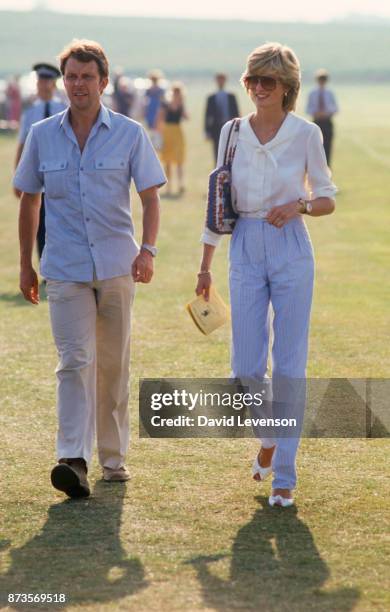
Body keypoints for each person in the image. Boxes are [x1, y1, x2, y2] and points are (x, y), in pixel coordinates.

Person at [13, 39, 166, 499]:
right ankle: (72, 460)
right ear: (65, 82)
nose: (79, 84)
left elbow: (151, 196)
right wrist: (26, 264)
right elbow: (29, 200)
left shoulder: (130, 133)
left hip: (119, 266)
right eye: (72, 76)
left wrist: (148, 250)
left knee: (113, 366)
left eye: (87, 77)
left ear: (103, 81)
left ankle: (113, 461)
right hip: (64, 269)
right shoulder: (41, 135)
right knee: (74, 362)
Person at [196, 43, 336, 508]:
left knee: (290, 365)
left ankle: (284, 477)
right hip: (245, 247)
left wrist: (297, 205)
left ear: (288, 88)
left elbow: (327, 197)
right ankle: (271, 437)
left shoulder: (306, 134)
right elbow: (217, 199)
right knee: (246, 369)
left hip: (292, 245)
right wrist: (204, 265)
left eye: (268, 82)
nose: (258, 88)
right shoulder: (232, 131)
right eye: (253, 80)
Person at [14, 63, 66, 261]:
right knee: (38, 221)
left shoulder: (63, 109)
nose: (42, 85)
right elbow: (22, 144)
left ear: (53, 84)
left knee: (59, 220)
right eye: (40, 81)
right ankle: (45, 264)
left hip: (59, 172)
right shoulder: (30, 112)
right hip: (37, 172)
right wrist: (18, 175)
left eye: (47, 81)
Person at [158, 82, 188, 196]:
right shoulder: (165, 104)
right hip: (168, 132)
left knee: (179, 160)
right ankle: (169, 186)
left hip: (177, 132)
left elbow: (186, 117)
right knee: (168, 160)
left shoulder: (181, 104)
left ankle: (181, 184)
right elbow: (160, 117)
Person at [204, 73, 240, 163]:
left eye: (222, 79)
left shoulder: (231, 96)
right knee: (216, 150)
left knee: (230, 150)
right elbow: (207, 115)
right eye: (218, 79)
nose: (220, 82)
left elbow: (236, 112)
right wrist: (207, 130)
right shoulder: (211, 97)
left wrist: (238, 128)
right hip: (216, 128)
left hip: (230, 127)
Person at [306, 69, 338, 166]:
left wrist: (326, 113)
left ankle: (327, 170)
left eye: (324, 79)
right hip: (316, 122)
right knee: (315, 148)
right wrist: (316, 113)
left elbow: (335, 108)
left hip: (327, 122)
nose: (322, 81)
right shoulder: (312, 93)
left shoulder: (330, 93)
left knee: (327, 148)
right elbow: (308, 108)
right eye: (320, 79)